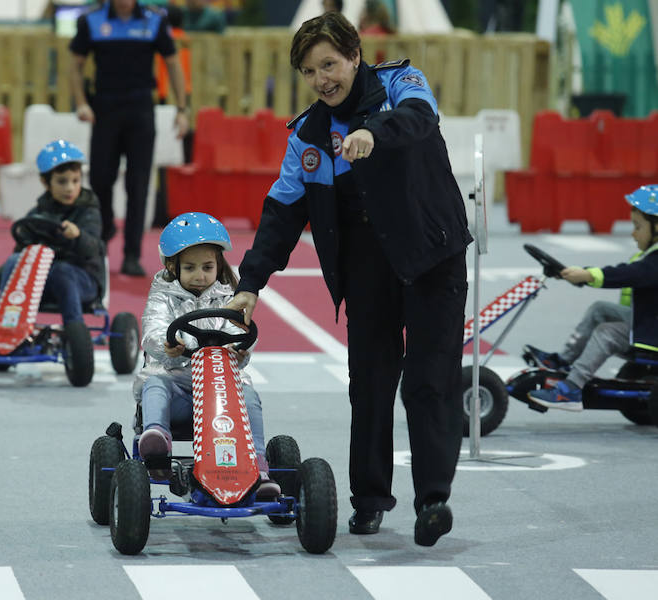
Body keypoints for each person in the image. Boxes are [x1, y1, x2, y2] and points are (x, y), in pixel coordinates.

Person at [225, 12, 471, 546]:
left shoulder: (401, 83)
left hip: (432, 254)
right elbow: (282, 214)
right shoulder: (308, 136)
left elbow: (419, 118)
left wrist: (369, 133)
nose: (322, 80)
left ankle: (433, 498)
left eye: (330, 65)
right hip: (366, 265)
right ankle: (370, 499)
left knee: (430, 381)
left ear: (356, 55)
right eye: (310, 72)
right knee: (370, 384)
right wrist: (250, 283)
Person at [134, 212, 281, 498]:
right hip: (176, 384)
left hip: (221, 393)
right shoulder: (162, 295)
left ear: (219, 265)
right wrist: (168, 344)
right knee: (154, 385)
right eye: (190, 267)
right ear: (173, 266)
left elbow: (240, 331)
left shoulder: (230, 297)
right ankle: (157, 441)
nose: (200, 275)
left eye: (207, 267)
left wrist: (239, 350)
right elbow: (152, 329)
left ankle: (259, 466)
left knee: (249, 395)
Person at [69, 0, 190, 277]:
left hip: (140, 110)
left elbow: (173, 63)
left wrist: (182, 109)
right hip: (105, 108)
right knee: (100, 178)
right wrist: (80, 102)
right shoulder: (91, 21)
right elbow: (75, 65)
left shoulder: (154, 20)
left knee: (138, 183)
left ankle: (132, 254)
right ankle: (104, 233)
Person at [526, 185, 658, 411]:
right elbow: (626, 271)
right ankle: (563, 360)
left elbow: (629, 274)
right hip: (647, 321)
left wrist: (588, 275)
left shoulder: (654, 262)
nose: (633, 233)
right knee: (600, 309)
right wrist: (580, 275)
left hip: (652, 332)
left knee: (607, 332)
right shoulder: (650, 255)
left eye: (638, 227)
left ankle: (572, 388)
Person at [0, 140, 104, 326]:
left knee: (62, 271)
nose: (70, 188)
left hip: (83, 280)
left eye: (75, 181)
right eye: (62, 182)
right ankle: (5, 323)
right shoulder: (38, 214)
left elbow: (93, 249)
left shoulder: (88, 211)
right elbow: (21, 253)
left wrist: (78, 236)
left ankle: (74, 328)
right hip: (42, 281)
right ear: (46, 182)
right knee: (15, 262)